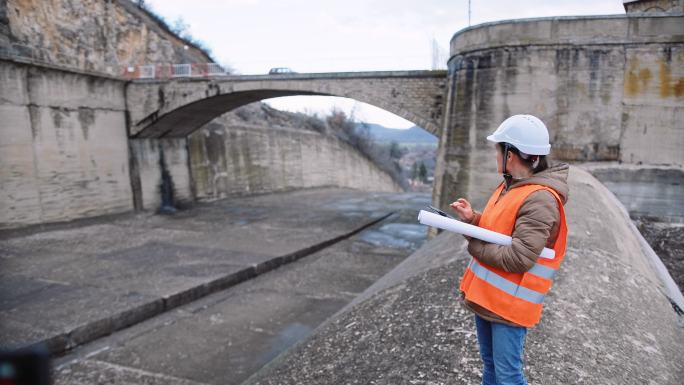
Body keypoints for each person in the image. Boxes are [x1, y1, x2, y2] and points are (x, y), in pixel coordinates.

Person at [450, 114, 569, 385]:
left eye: (497, 149)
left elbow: (520, 257)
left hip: (508, 305)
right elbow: (501, 231)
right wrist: (473, 220)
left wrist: (474, 243)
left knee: (508, 377)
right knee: (492, 368)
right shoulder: (511, 186)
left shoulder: (540, 199)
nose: (495, 155)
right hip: (490, 299)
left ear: (511, 154)